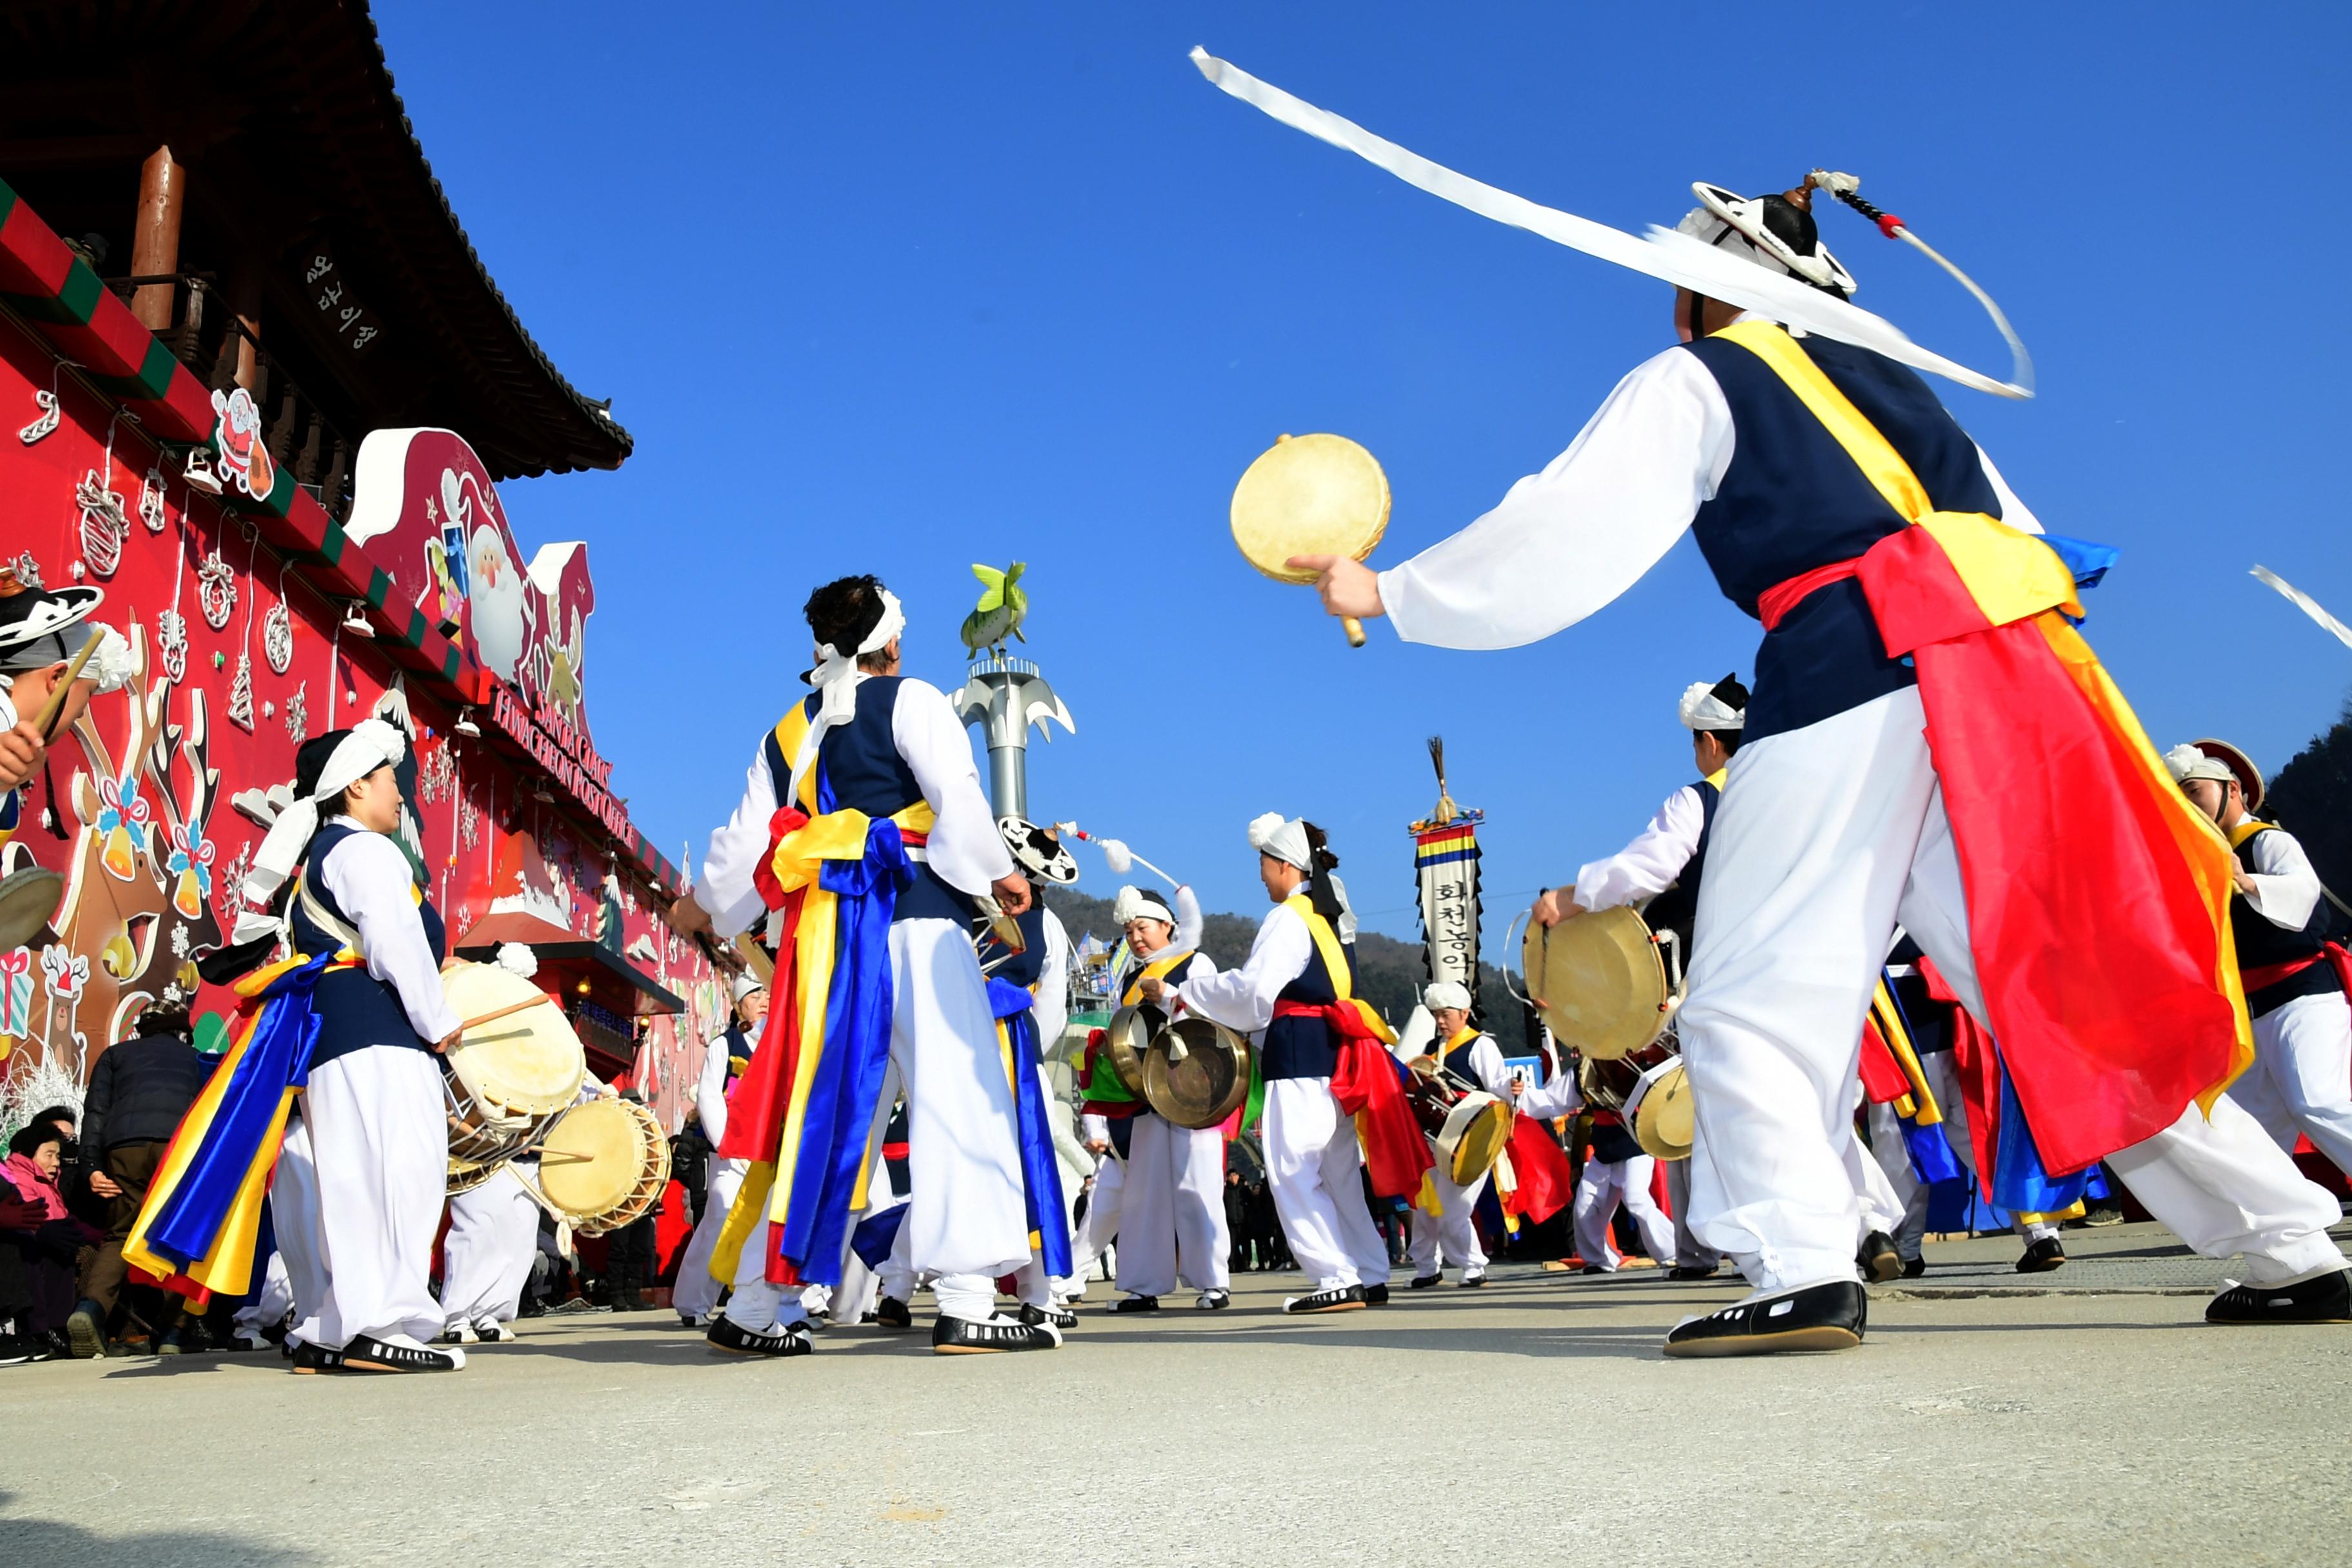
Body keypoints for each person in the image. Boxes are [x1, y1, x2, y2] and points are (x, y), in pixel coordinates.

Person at [1290, 175, 2352, 1349]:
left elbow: (1567, 522)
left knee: (1744, 991)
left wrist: (1388, 590)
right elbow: (2021, 536)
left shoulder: (1699, 376)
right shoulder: (1903, 391)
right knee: (2056, 991)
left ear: (1712, 283)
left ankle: (1801, 1261)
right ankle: (2287, 1242)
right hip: (1996, 683)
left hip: (1850, 668)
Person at [669, 574, 1055, 1355]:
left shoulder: (789, 728)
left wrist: (707, 908)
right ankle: (969, 1294)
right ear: (894, 640)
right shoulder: (914, 700)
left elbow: (741, 849)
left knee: (827, 1112)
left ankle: (753, 1301)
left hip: (830, 937)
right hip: (916, 914)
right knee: (958, 1093)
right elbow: (957, 793)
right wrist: (995, 872)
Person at [128, 720, 469, 1374]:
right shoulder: (366, 850)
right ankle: (378, 1320)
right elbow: (394, 938)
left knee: (338, 1175)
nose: (399, 795)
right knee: (399, 1167)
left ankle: (326, 1323)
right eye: (391, 780)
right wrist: (436, 1018)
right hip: (378, 1029)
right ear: (357, 784)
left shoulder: (320, 856)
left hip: (330, 1032)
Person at [1531, 675, 1754, 1280]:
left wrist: (1571, 899)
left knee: (1695, 1108)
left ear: (1709, 743)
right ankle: (1866, 1230)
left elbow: (1646, 868)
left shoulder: (1698, 800)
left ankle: (1712, 1247)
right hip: (1791, 969)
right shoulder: (1785, 793)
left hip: (1717, 975)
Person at [1149, 813, 1408, 1314]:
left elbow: (1252, 992)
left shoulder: (1289, 918)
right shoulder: (1331, 919)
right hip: (1333, 1057)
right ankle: (1370, 1271)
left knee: (1292, 1170)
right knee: (1337, 1173)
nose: (1261, 875)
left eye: (1264, 865)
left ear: (1286, 865)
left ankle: (1335, 1276)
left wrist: (1187, 993)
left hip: (1298, 1057)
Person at [2168, 741, 2352, 1179]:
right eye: (2182, 797)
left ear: (2232, 789)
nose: (2189, 804)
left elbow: (2304, 895)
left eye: (2195, 790)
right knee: (2249, 1129)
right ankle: (2285, 1226)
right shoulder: (2201, 860)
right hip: (2248, 1012)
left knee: (2317, 1101)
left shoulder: (2267, 840)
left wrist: (2246, 881)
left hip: (2303, 995)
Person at [1101, 883, 1231, 1312]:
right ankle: (1144, 1283)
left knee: (1197, 1182)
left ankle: (1213, 1281)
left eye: (1142, 928)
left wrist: (1173, 997)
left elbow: (1217, 1020)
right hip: (1146, 1092)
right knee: (1146, 1190)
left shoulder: (1195, 962)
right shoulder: (1132, 978)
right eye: (1128, 932)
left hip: (1192, 1089)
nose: (1136, 938)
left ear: (1168, 925)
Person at [66, 1003, 217, 1358]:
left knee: (120, 1233)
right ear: (181, 1029)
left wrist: (92, 1166)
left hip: (125, 1147)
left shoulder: (115, 1055)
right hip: (179, 1147)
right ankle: (172, 1333)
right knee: (177, 1235)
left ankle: (90, 1310)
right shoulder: (195, 1059)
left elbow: (97, 1112)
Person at [1399, 980, 1515, 1288]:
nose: (1440, 1021)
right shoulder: (1430, 1050)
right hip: (1435, 1140)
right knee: (1424, 1209)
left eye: (1445, 1014)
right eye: (1436, 1014)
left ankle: (1473, 1267)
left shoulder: (1481, 1045)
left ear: (1464, 1013)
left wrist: (1511, 1090)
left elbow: (1498, 1086)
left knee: (1454, 1210)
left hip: (1471, 1138)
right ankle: (1427, 1267)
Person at [672, 974, 769, 1329]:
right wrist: (726, 1142)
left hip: (771, 1153)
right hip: (732, 1156)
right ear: (739, 1003)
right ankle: (692, 1303)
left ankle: (791, 1304)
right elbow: (710, 1095)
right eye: (754, 994)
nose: (763, 1000)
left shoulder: (782, 1042)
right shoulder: (724, 1045)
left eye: (766, 994)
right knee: (719, 1220)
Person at [3, 1122, 95, 1361]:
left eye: (59, 1156)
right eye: (50, 1155)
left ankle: (77, 1325)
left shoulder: (50, 1183)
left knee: (89, 1251)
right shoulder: (21, 1177)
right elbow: (35, 1215)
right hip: (27, 1241)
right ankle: (44, 1329)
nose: (56, 1162)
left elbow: (67, 1219)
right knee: (50, 1249)